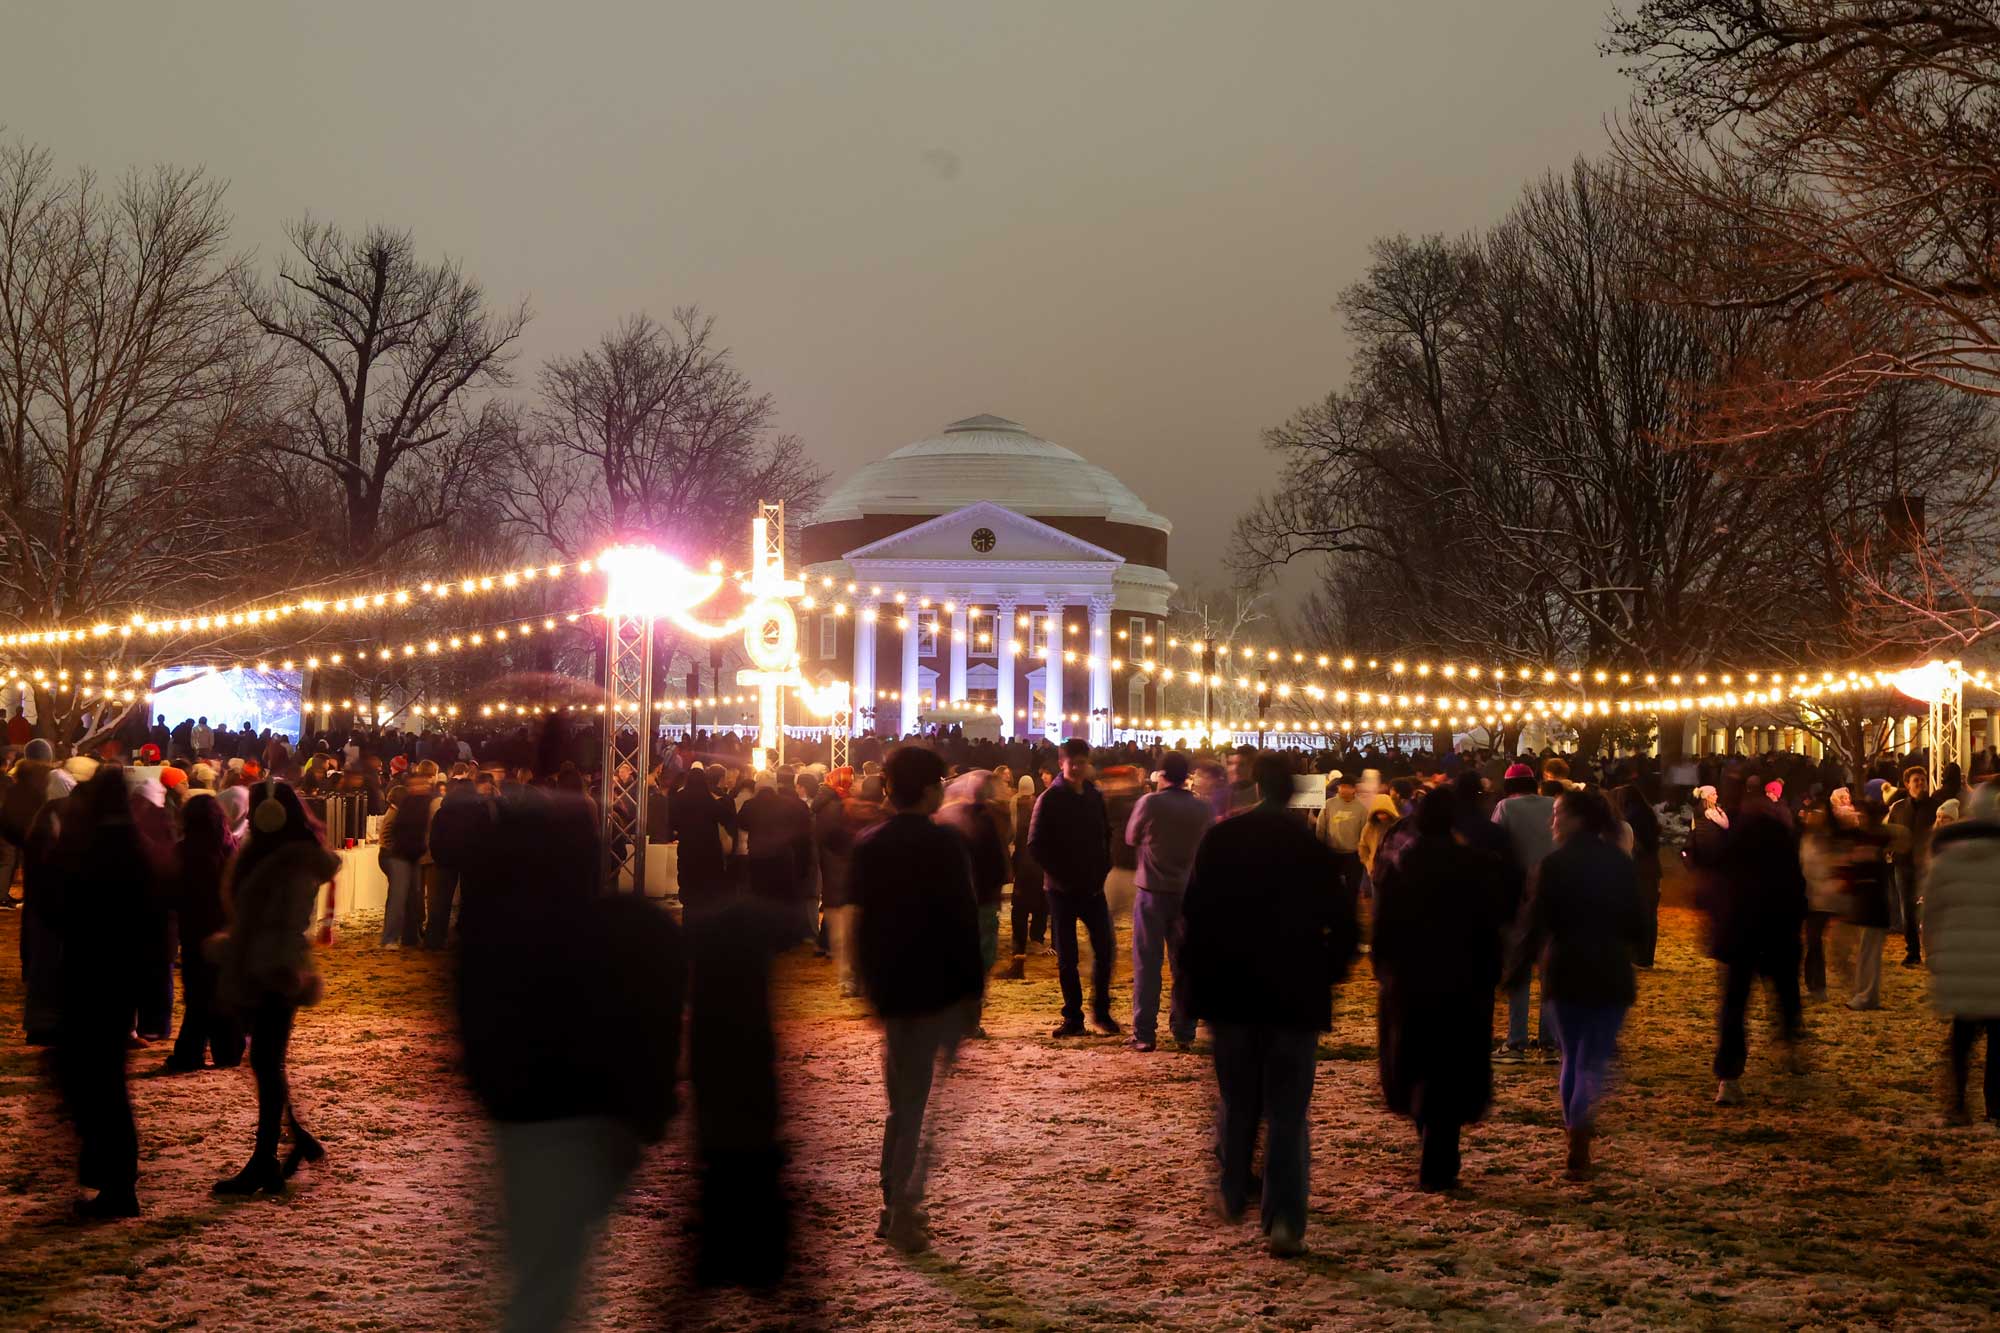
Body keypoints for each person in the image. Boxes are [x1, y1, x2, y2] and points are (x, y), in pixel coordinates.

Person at [457, 773, 684, 1329]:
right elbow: (658, 1025)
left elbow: (476, 1028)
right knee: (553, 1271)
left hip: (529, 1119)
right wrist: (647, 1113)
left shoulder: (492, 934)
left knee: (545, 1270)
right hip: (596, 1121)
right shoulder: (632, 928)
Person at [1182, 754, 1358, 1256]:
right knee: (1286, 1112)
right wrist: (1326, 973)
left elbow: (1193, 918)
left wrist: (1196, 985)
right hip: (1293, 993)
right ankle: (1283, 1218)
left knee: (1238, 1101)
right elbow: (1344, 926)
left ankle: (1235, 1183)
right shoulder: (1309, 846)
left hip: (1232, 990)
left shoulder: (1223, 839)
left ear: (1256, 786)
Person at [852, 745, 983, 1253]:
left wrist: (869, 986)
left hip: (892, 988)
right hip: (936, 988)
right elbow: (961, 920)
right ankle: (901, 1204)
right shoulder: (944, 845)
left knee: (902, 1102)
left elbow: (860, 924)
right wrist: (972, 992)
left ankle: (895, 1200)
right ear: (930, 790)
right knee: (918, 1106)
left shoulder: (869, 844)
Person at [1372, 785, 1516, 1190]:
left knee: (1418, 1060)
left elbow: (1384, 925)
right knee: (1451, 1067)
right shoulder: (1477, 865)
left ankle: (1429, 1130)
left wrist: (1384, 969)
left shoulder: (1400, 865)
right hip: (1463, 980)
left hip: (1411, 978)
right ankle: (1441, 1147)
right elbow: (1495, 921)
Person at [1507, 787, 1645, 1181]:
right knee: (1592, 1057)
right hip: (1609, 968)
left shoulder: (1553, 865)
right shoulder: (1618, 864)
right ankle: (1580, 1132)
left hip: (1564, 969)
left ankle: (1575, 1132)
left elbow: (1533, 926)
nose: (1552, 822)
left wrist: (1516, 970)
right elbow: (1637, 923)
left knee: (1571, 1056)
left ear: (1577, 819)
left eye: (1558, 814)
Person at [211, 781, 337, 1195]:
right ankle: (291, 1140)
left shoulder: (291, 864)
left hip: (275, 967)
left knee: (266, 1061)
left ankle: (267, 1158)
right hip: (260, 963)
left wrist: (258, 953)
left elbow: (283, 921)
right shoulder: (269, 855)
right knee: (265, 1061)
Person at [52, 767, 162, 1217]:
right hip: (119, 981)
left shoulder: (99, 848)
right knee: (106, 1084)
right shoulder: (133, 846)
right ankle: (114, 1179)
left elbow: (68, 909)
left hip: (95, 977)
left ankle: (117, 1184)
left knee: (103, 1087)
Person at [1696, 779, 1808, 1105]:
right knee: (1785, 994)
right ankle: (1790, 1044)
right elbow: (1796, 891)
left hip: (1740, 936)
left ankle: (1728, 1077)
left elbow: (1714, 886)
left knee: (1734, 1007)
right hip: (1775, 933)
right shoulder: (1782, 847)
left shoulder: (1734, 844)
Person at [1027, 739, 1120, 1037]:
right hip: (1062, 891)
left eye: (1082, 762)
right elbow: (1036, 844)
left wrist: (1103, 868)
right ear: (1062, 763)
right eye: (1073, 762)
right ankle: (1073, 1016)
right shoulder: (1050, 799)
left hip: (1092, 888)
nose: (1078, 767)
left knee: (1105, 950)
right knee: (1068, 957)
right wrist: (1061, 875)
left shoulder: (1093, 795)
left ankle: (1101, 1011)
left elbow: (1105, 834)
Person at [1123, 751, 1214, 1052]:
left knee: (1147, 964)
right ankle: (1184, 1030)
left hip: (1151, 891)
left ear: (1161, 775)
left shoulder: (1150, 803)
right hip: (1189, 894)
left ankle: (1144, 1032)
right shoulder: (1203, 809)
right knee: (1184, 965)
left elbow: (1131, 837)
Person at [1922, 782, 2000, 1125]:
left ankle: (1956, 1104)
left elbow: (1931, 910)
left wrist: (1933, 952)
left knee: (1962, 1037)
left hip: (1960, 962)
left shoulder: (1948, 856)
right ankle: (1996, 1106)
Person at [162, 793, 244, 1073]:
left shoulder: (182, 851)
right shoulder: (231, 848)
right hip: (226, 931)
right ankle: (228, 1050)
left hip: (195, 931)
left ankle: (190, 1052)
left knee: (197, 995)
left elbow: (170, 894)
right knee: (223, 991)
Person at [1491, 762, 1560, 1061]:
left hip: (1519, 898)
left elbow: (1494, 848)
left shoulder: (1505, 808)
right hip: (1554, 895)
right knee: (1549, 972)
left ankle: (1516, 1042)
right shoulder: (1555, 805)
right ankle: (1549, 1044)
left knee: (1519, 971)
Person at [934, 769, 1009, 1036]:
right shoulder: (983, 819)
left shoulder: (946, 818)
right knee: (978, 961)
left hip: (963, 902)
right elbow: (996, 861)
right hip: (980, 901)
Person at [1887, 766, 1942, 966]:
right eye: (1916, 780)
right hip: (1903, 865)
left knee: (1928, 911)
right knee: (1907, 911)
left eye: (1922, 780)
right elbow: (1890, 833)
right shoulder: (1899, 808)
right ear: (1907, 784)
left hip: (1928, 866)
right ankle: (1913, 952)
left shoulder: (1936, 807)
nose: (1920, 783)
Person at [378, 766, 435, 947]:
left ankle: (409, 938)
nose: (421, 787)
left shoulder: (421, 802)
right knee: (399, 896)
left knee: (412, 897)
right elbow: (394, 832)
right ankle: (391, 938)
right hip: (402, 855)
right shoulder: (411, 804)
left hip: (413, 855)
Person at [1004, 774, 1048, 974]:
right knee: (1040, 902)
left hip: (1022, 861)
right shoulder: (1040, 805)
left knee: (1019, 906)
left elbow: (1010, 834)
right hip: (1039, 861)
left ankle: (1018, 943)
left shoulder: (1013, 806)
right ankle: (1036, 938)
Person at [1616, 784, 1663, 968]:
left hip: (1640, 868)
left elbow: (1635, 844)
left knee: (1641, 911)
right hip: (1652, 868)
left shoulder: (1632, 817)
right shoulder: (1648, 814)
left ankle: (1638, 955)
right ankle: (1646, 956)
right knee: (1650, 913)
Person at [1314, 772, 1368, 905]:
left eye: (1347, 786)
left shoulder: (1361, 809)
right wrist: (1320, 849)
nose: (1344, 789)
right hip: (1332, 853)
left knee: (1352, 888)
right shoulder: (1329, 804)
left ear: (1354, 789)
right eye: (1341, 786)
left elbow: (1364, 833)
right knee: (1331, 887)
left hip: (1353, 855)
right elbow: (1321, 828)